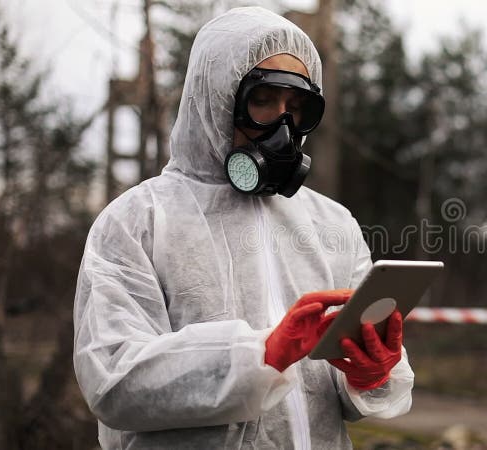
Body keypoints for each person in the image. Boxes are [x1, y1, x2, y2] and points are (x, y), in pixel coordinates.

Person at [72, 6, 414, 449]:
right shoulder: (137, 222)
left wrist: (372, 375)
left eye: (297, 107)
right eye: (263, 99)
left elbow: (358, 397)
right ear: (215, 97)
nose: (282, 124)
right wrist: (262, 356)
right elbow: (113, 380)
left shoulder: (331, 224)